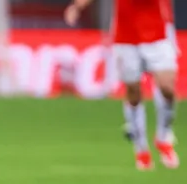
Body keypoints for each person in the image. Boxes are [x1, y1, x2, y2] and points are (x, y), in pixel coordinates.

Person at [64, 0, 180, 170]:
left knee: (167, 88)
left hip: (158, 33)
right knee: (133, 91)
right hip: (126, 36)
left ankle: (163, 137)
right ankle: (141, 149)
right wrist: (77, 6)